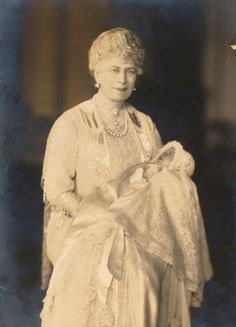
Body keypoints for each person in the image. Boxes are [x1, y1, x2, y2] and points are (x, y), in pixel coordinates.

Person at [40, 27, 213, 327]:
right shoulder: (72, 122)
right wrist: (102, 218)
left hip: (140, 236)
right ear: (96, 71)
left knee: (146, 278)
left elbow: (157, 185)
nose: (122, 79)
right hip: (84, 232)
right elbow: (56, 190)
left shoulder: (144, 125)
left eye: (130, 71)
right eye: (114, 70)